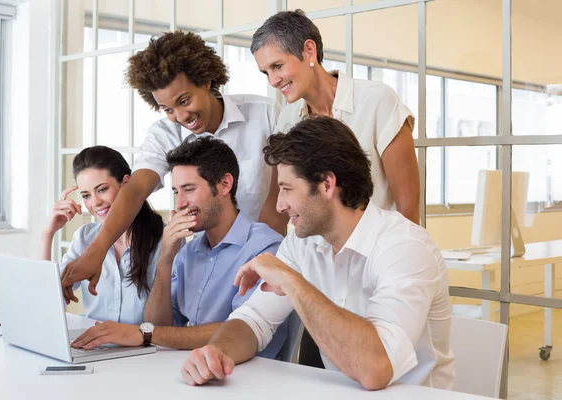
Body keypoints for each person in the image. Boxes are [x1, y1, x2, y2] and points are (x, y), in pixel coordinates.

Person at [180, 117, 454, 390]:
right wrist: (214, 353)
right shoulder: (303, 243)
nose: (279, 205)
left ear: (326, 184)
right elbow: (254, 320)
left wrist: (292, 281)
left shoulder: (405, 247)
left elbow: (375, 369)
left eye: (287, 189)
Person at [60, 31, 289, 303]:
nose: (180, 117)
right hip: (207, 261)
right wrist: (96, 251)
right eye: (167, 109)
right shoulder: (164, 133)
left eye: (184, 101)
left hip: (265, 254)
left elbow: (279, 198)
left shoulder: (264, 114)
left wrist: (254, 257)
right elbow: (134, 191)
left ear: (205, 80)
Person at [71, 137, 287, 358]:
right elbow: (157, 325)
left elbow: (244, 329)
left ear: (225, 184)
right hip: (190, 371)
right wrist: (166, 257)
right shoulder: (188, 253)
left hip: (248, 378)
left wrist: (143, 334)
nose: (180, 203)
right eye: (176, 192)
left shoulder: (264, 247)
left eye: (189, 189)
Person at [251, 9, 420, 224]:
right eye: (266, 72)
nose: (273, 81)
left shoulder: (377, 101)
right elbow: (278, 203)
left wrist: (402, 254)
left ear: (309, 51)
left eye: (277, 66)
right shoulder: (288, 118)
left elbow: (409, 206)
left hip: (377, 251)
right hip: (315, 254)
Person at [39, 146, 163, 325]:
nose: (95, 202)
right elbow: (46, 296)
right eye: (86, 195)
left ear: (126, 183)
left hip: (145, 347)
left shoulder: (164, 238)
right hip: (95, 345)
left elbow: (171, 318)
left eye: (102, 189)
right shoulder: (84, 237)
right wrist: (47, 234)